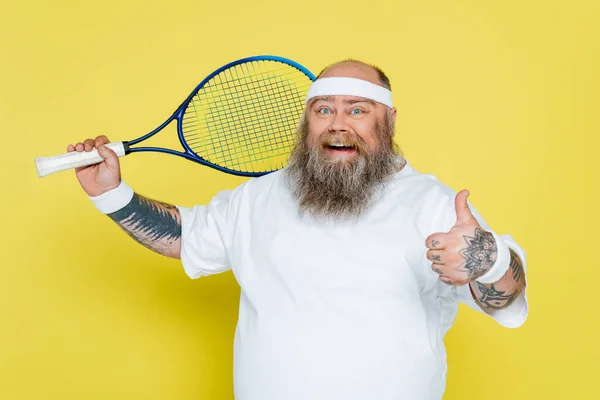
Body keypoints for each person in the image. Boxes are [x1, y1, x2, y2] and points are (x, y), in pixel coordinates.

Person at [68, 59, 528, 400]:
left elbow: (505, 298)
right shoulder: (258, 197)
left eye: (358, 110)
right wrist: (111, 194)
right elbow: (186, 237)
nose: (338, 124)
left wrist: (489, 261)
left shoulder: (433, 203)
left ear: (389, 121)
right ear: (307, 122)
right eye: (323, 110)